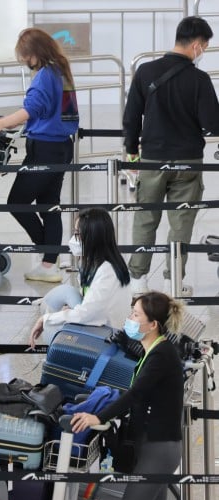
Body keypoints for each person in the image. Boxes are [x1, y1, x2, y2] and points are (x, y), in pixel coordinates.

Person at [71, 292, 185, 500]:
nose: (130, 319)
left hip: (159, 450)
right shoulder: (154, 349)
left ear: (153, 324)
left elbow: (135, 395)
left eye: (135, 315)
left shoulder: (161, 355)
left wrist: (98, 416)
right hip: (155, 447)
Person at [122, 16, 219, 296]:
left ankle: (138, 281)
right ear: (198, 46)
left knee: (145, 218)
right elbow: (213, 123)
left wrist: (132, 152)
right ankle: (172, 281)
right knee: (181, 223)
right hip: (188, 160)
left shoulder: (145, 71)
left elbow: (131, 116)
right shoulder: (199, 80)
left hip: (152, 159)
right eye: (206, 47)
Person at [0, 27, 79, 284]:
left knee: (17, 201)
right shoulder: (61, 69)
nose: (24, 61)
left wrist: (0, 124)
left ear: (35, 53)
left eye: (25, 56)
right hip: (61, 146)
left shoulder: (46, 75)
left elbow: (31, 109)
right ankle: (49, 263)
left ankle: (48, 253)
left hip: (45, 149)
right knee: (49, 204)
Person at [29, 207, 132, 347]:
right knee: (63, 294)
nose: (73, 239)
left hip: (107, 334)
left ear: (93, 236)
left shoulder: (107, 270)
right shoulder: (96, 262)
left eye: (77, 233)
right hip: (100, 322)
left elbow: (87, 314)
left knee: (52, 327)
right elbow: (90, 306)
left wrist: (47, 319)